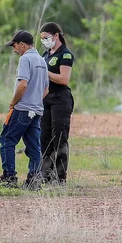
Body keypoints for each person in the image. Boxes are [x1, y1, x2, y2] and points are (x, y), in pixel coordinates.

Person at [0, 30, 48, 190]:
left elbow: (23, 84)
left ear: (22, 45)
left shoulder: (25, 59)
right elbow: (46, 90)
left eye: (15, 46)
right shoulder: (42, 61)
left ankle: (9, 177)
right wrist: (35, 102)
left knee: (7, 141)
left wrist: (13, 103)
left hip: (22, 109)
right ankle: (34, 180)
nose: (14, 50)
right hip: (36, 110)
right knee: (33, 146)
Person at [39, 22, 74, 185]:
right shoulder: (46, 54)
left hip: (61, 99)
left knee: (59, 137)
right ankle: (45, 174)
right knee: (44, 137)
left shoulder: (65, 54)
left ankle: (60, 177)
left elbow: (64, 78)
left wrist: (44, 71)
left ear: (55, 36)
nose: (44, 41)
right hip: (47, 99)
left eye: (46, 38)